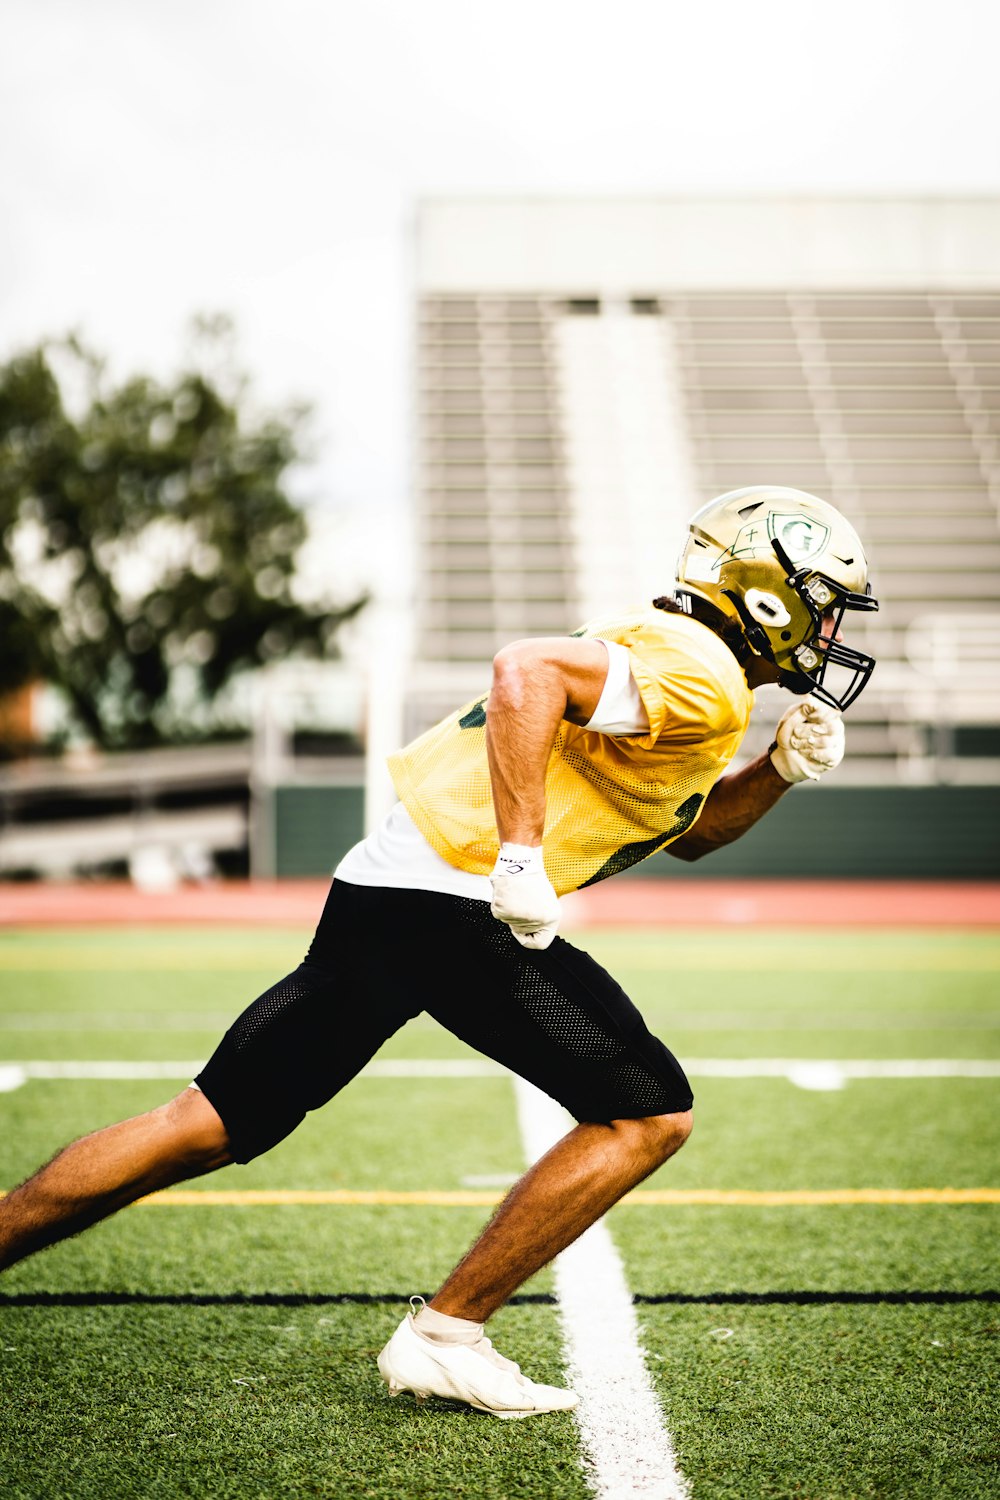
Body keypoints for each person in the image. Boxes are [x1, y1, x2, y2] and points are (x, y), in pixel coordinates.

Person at [0, 486, 878, 1419]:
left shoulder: (681, 657)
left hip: (392, 887)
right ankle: (445, 1336)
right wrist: (521, 854)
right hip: (454, 899)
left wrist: (778, 770)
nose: (828, 635)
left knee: (208, 1123)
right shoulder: (704, 672)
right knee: (645, 1116)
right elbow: (524, 673)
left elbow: (692, 834)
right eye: (823, 606)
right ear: (770, 596)